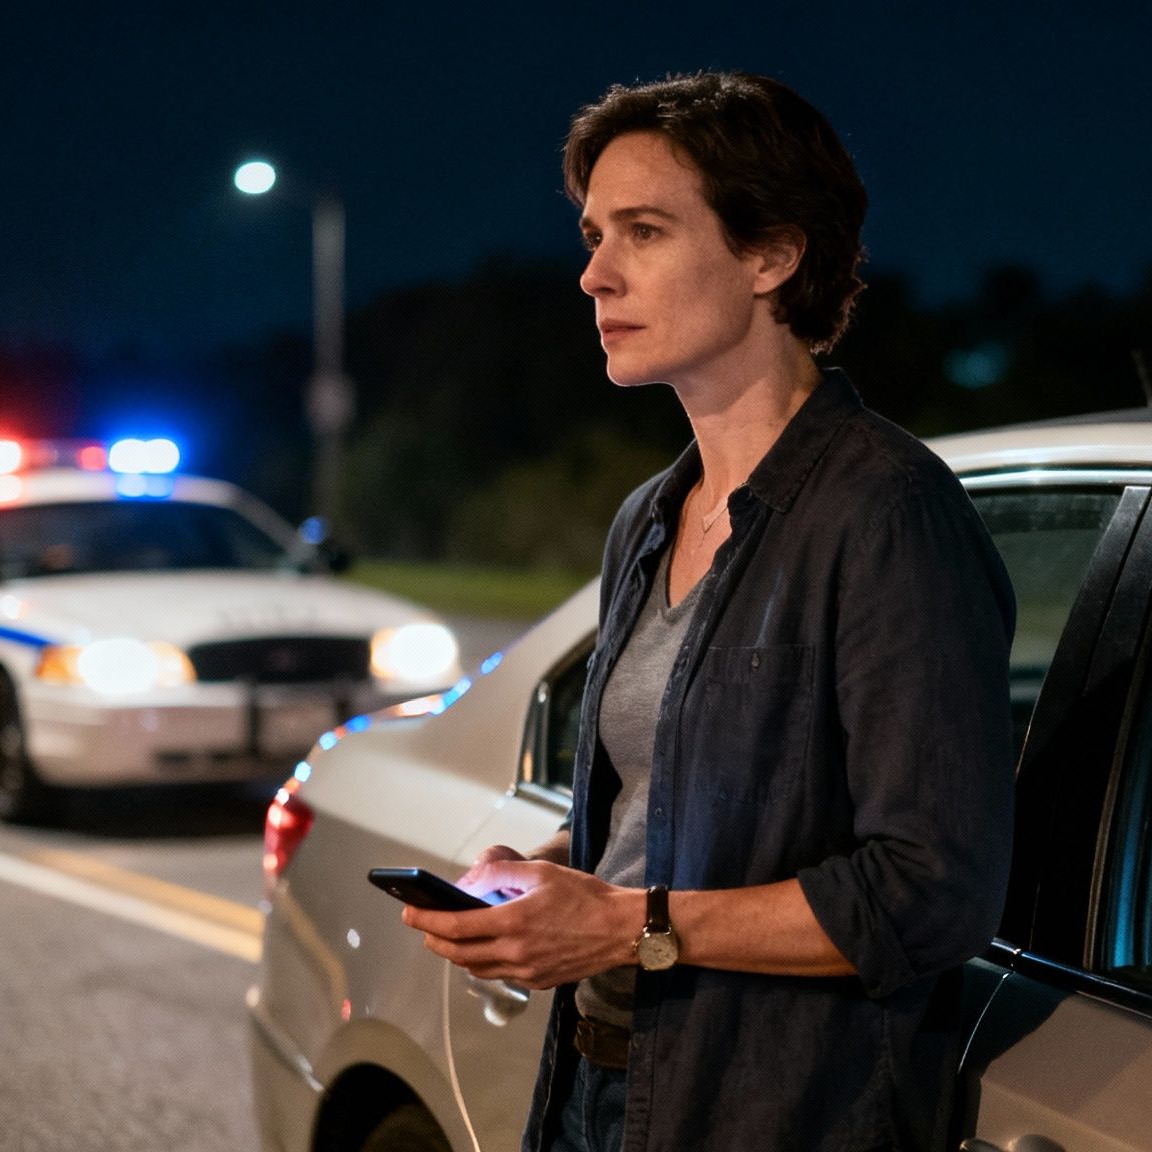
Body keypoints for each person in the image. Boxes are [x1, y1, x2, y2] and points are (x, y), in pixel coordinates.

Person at [402, 72, 1017, 1152]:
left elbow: (931, 891)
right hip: (601, 1086)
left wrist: (627, 924)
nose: (594, 274)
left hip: (773, 1108)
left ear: (771, 254)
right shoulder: (648, 515)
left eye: (643, 231)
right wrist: (563, 879)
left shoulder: (886, 512)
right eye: (593, 235)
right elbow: (675, 809)